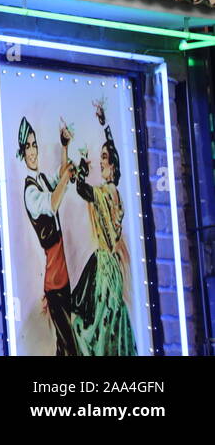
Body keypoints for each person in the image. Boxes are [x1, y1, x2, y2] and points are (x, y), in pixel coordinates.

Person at [69, 125, 137, 355]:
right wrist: (106, 125)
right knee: (111, 321)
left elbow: (81, 189)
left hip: (105, 272)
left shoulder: (104, 193)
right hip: (112, 269)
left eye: (104, 158)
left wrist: (81, 171)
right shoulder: (117, 195)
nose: (101, 162)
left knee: (93, 325)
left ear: (113, 165)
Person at [16, 117, 79, 356]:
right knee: (68, 344)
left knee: (65, 345)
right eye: (28, 146)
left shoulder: (41, 180)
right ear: (22, 152)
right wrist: (66, 177)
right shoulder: (31, 191)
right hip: (54, 279)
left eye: (34, 145)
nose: (32, 151)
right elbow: (53, 203)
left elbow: (60, 176)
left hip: (63, 273)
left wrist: (64, 146)